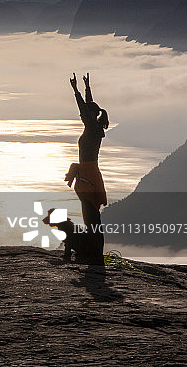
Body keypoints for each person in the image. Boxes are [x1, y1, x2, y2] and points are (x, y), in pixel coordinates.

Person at [65, 72, 108, 262]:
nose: (82, 116)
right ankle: (94, 251)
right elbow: (89, 108)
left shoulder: (92, 128)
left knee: (90, 217)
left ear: (91, 115)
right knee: (92, 217)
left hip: (87, 178)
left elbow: (85, 109)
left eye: (86, 114)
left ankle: (92, 253)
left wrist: (76, 91)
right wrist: (86, 88)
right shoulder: (94, 128)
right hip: (91, 174)